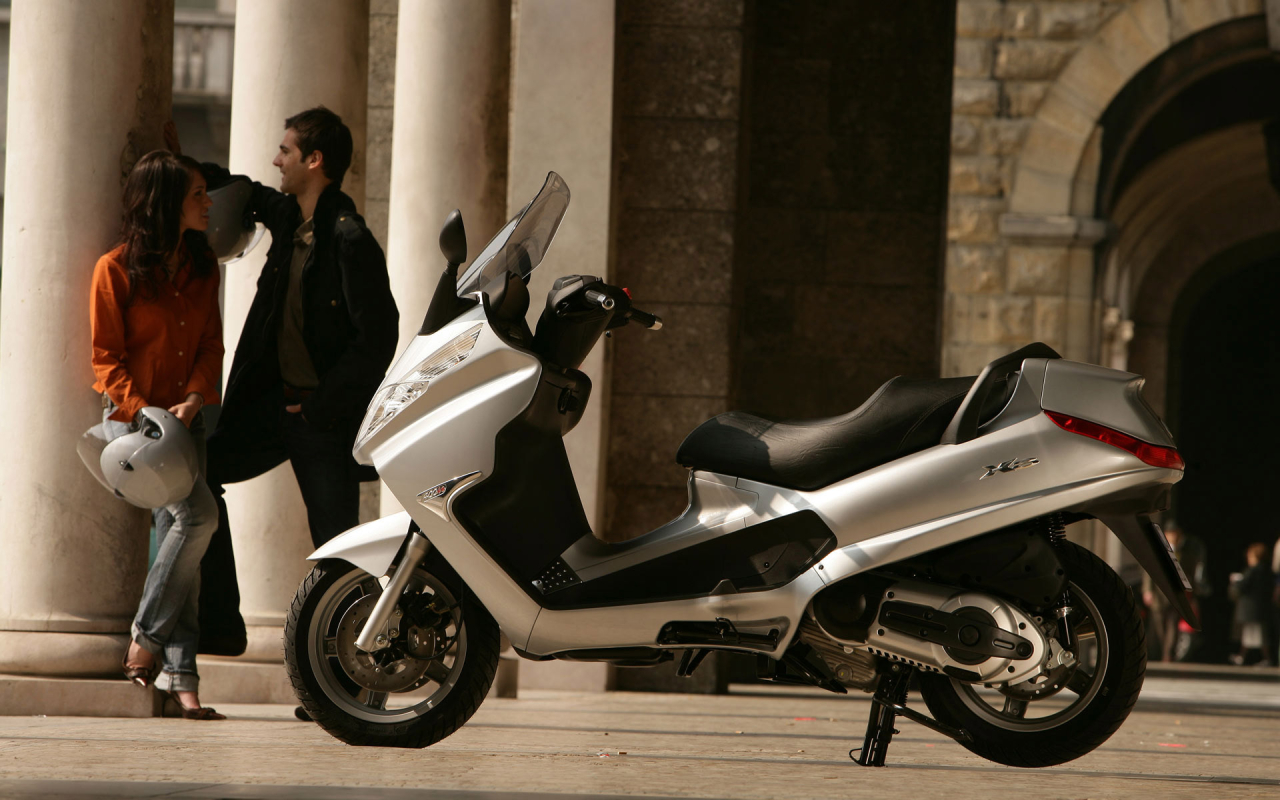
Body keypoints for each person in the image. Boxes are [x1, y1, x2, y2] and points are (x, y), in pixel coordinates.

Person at [164, 108, 399, 656]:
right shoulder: (289, 216)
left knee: (339, 551)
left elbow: (378, 338)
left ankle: (353, 670)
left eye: (286, 151)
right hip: (272, 410)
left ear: (314, 161)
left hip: (320, 421)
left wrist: (322, 409)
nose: (276, 160)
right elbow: (242, 188)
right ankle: (222, 625)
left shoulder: (350, 239)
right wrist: (180, 165)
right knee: (199, 477)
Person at [90, 150, 226, 720]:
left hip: (188, 422)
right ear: (167, 202)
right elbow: (105, 359)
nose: (207, 202)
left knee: (183, 545)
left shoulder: (203, 266)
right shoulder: (114, 269)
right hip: (136, 429)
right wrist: (147, 411)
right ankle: (146, 642)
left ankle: (182, 679)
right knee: (198, 518)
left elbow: (210, 344)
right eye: (196, 194)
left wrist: (193, 399)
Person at [1142, 519, 1208, 662]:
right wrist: (1147, 590)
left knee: (1173, 624)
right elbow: (1149, 571)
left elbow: (1192, 573)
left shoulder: (1187, 551)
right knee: (1160, 626)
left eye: (1175, 534)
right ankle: (1163, 650)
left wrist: (1191, 590)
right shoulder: (1158, 549)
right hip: (1159, 594)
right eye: (1170, 534)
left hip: (1177, 595)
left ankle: (1168, 655)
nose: (1173, 537)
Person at [1229, 542, 1275, 666]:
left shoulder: (1253, 571)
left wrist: (1236, 582)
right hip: (1258, 608)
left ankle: (1266, 659)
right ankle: (1242, 656)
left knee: (1258, 636)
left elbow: (1242, 586)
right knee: (1250, 635)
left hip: (1252, 609)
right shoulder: (1267, 571)